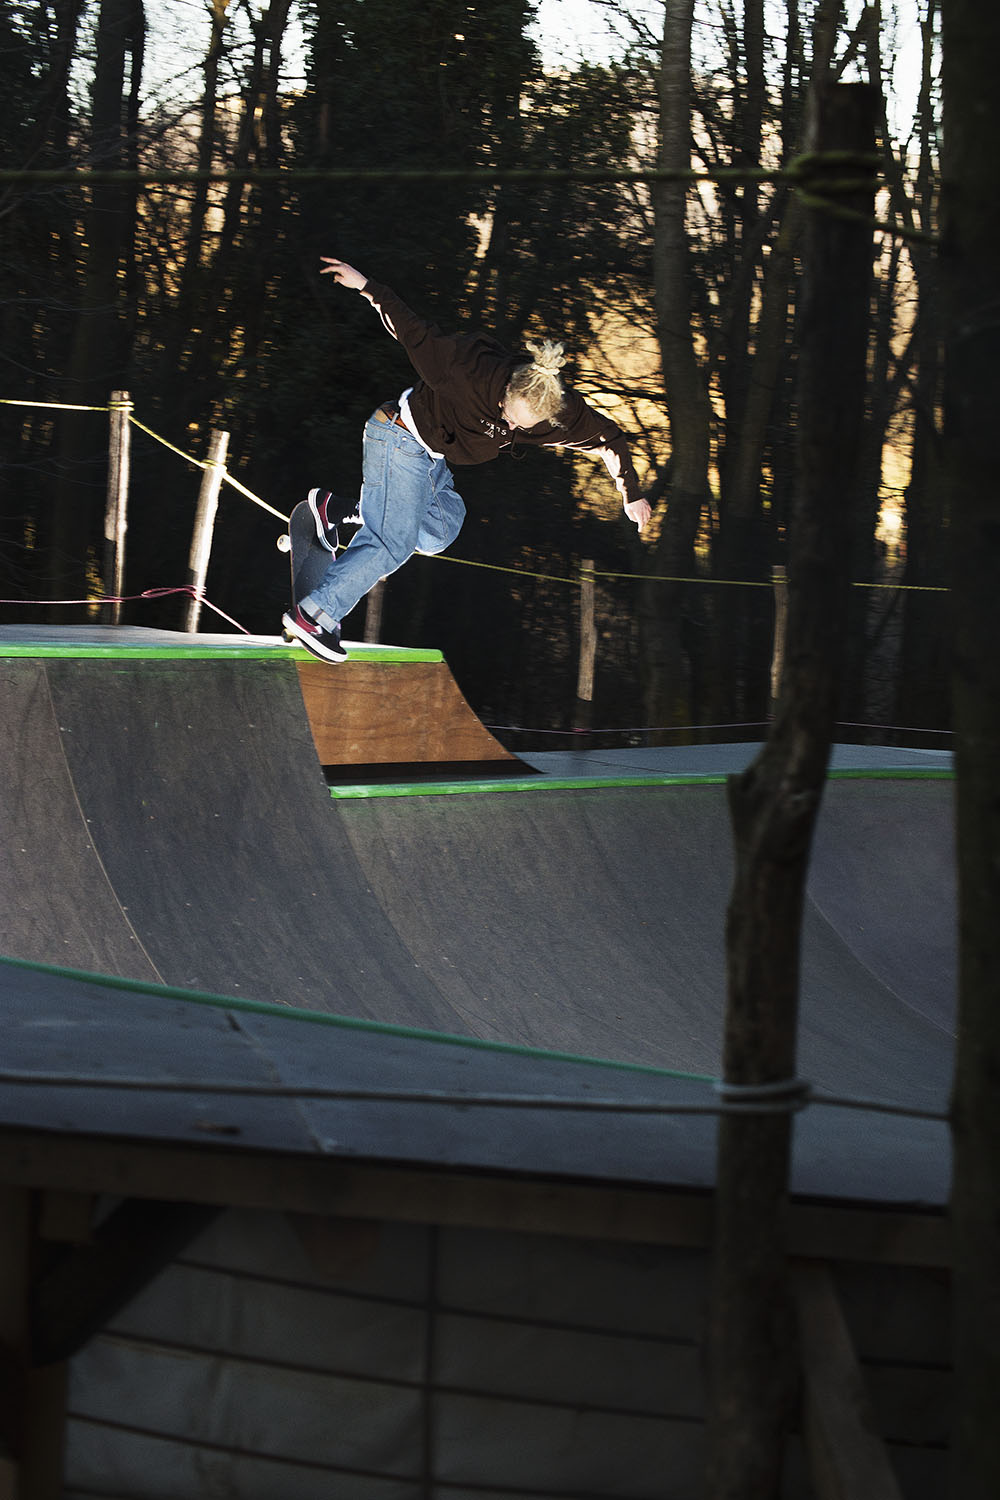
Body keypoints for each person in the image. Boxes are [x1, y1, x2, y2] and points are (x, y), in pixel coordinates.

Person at [282, 256, 652, 662]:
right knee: (395, 541)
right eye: (508, 414)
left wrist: (630, 493)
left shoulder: (562, 414)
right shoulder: (467, 368)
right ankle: (316, 615)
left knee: (440, 530)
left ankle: (339, 509)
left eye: (522, 427)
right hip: (398, 436)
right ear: (509, 387)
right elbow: (411, 330)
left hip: (432, 459)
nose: (511, 427)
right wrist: (366, 286)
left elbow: (609, 438)